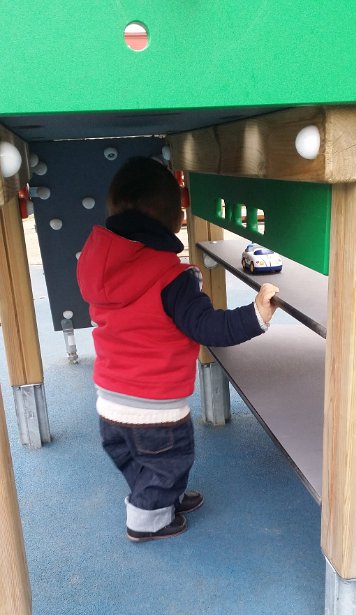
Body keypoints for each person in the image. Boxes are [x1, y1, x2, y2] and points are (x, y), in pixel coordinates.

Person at [77, 156, 279, 542]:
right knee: (170, 459)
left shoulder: (95, 265)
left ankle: (163, 497)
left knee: (141, 461)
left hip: (109, 404)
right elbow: (207, 327)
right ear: (176, 219)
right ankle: (147, 520)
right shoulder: (171, 277)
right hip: (155, 409)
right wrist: (256, 314)